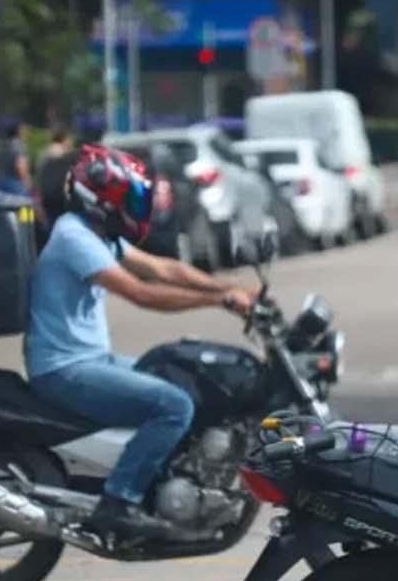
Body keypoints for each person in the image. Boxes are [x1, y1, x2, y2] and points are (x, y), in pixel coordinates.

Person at [24, 144, 258, 540]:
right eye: (129, 198)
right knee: (173, 405)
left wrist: (230, 288)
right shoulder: (73, 237)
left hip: (92, 360)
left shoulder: (100, 236)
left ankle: (165, 481)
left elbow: (162, 268)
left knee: (186, 382)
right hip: (64, 369)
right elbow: (140, 292)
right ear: (101, 200)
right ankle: (119, 501)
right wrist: (218, 300)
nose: (136, 206)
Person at [0, 122, 31, 197]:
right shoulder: (19, 146)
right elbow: (21, 166)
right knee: (23, 207)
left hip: (0, 181)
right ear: (18, 132)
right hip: (15, 184)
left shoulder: (2, 146)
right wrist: (28, 183)